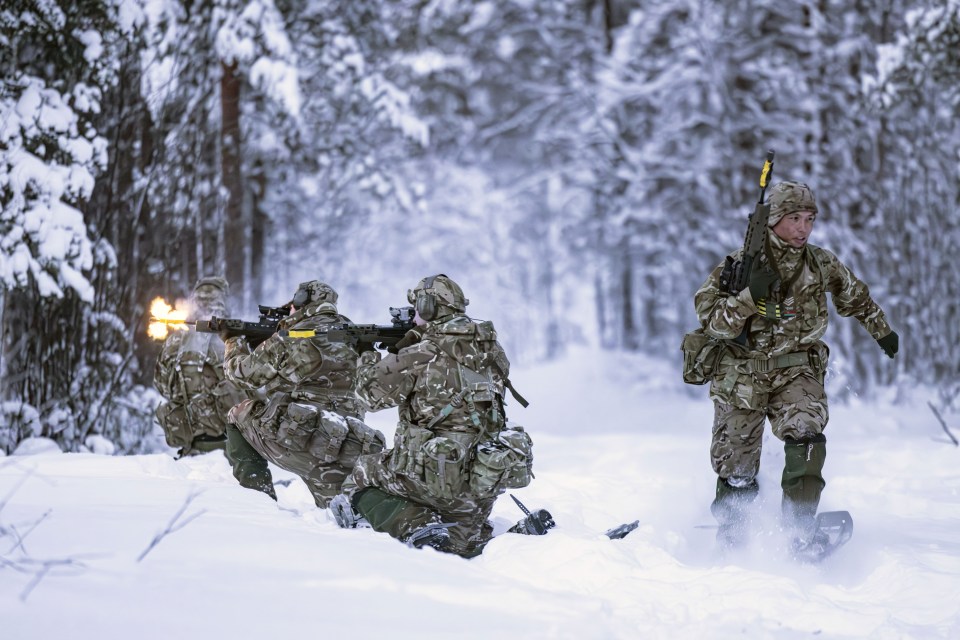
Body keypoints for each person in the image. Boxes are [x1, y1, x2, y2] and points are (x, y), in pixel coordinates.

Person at [692, 181, 899, 549]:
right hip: (742, 375)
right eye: (794, 218)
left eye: (810, 219)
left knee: (806, 436)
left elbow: (856, 296)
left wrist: (881, 331)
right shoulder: (738, 265)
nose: (803, 228)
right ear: (773, 220)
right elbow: (713, 324)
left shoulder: (819, 263)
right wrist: (748, 297)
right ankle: (732, 537)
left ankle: (799, 531)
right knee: (736, 469)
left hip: (796, 370)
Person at [331, 274, 547, 557]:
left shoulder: (422, 353)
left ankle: (416, 525)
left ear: (429, 307)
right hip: (482, 481)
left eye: (418, 307)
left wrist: (367, 355)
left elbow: (367, 396)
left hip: (435, 477)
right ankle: (509, 539)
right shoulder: (490, 348)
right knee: (463, 547)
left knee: (360, 474)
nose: (414, 316)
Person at [223, 280, 385, 508]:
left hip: (297, 442)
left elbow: (242, 375)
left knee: (237, 415)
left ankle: (257, 500)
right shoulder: (354, 336)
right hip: (345, 446)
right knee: (342, 512)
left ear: (301, 301)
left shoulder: (291, 336)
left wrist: (233, 341)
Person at [153, 277, 276, 498]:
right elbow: (261, 391)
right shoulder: (236, 340)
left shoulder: (175, 341)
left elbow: (162, 386)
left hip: (190, 452)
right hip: (234, 454)